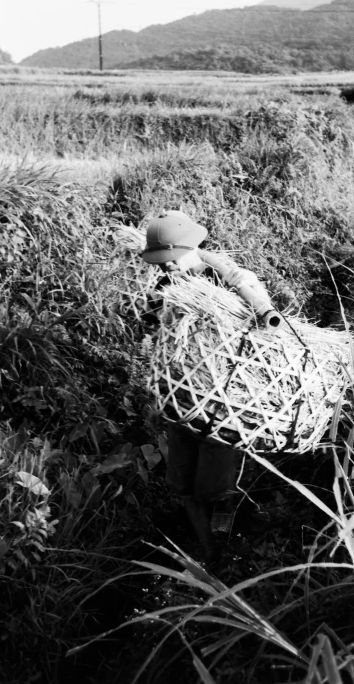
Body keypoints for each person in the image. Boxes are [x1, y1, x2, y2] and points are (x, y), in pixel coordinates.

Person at [140, 210, 273, 563]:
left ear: (191, 247)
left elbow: (266, 331)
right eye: (160, 262)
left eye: (169, 259)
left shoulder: (228, 280)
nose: (165, 267)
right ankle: (210, 554)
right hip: (181, 398)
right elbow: (155, 334)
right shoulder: (166, 287)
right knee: (180, 484)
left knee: (215, 487)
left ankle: (226, 534)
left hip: (223, 402)